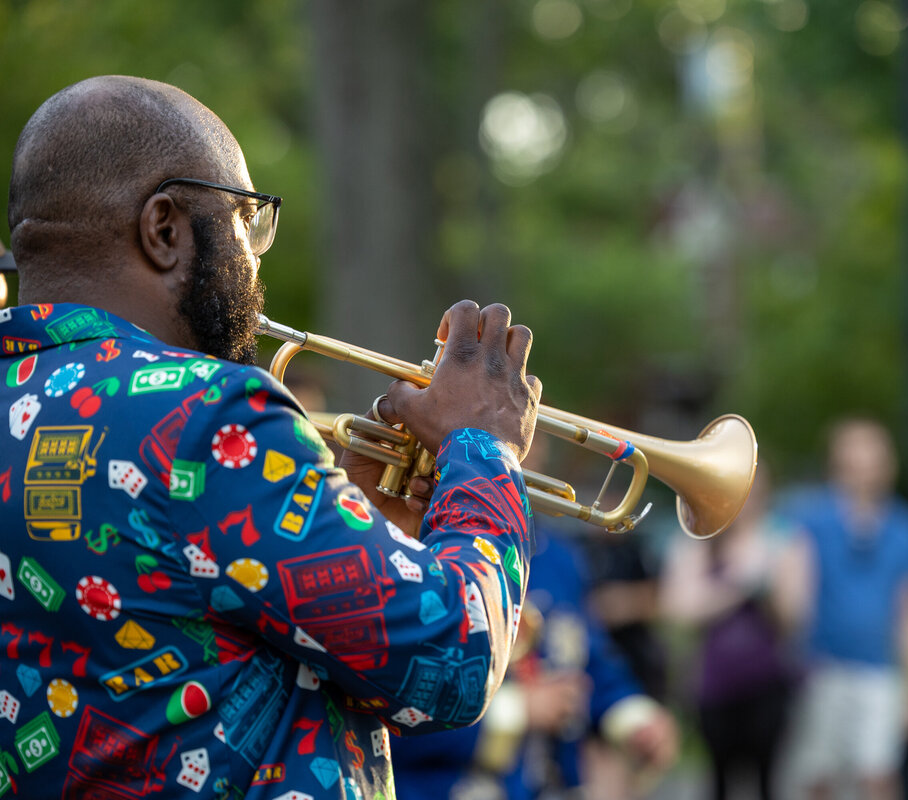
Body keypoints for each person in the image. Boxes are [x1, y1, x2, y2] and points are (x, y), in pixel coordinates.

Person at [0, 76, 541, 799]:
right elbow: (452, 663)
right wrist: (485, 448)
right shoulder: (207, 414)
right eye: (246, 221)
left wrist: (368, 532)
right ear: (165, 229)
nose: (255, 258)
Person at [390, 515, 678, 799]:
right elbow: (390, 701)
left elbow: (589, 661)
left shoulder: (559, 555)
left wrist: (637, 719)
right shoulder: (410, 541)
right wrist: (519, 710)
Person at [781, 417, 908, 800]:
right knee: (818, 777)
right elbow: (792, 597)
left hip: (880, 671)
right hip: (822, 667)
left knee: (877, 775)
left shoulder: (907, 528)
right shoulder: (811, 520)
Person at [660, 463, 798, 800]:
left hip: (766, 683)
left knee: (768, 781)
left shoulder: (781, 540)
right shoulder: (698, 542)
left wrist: (766, 587)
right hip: (713, 685)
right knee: (718, 780)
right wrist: (738, 586)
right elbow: (677, 609)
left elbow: (792, 618)